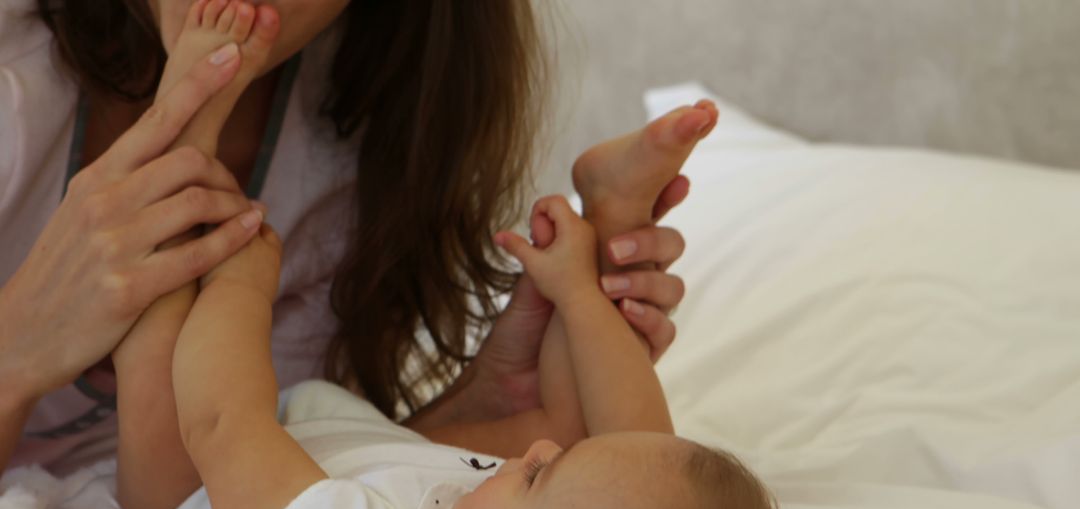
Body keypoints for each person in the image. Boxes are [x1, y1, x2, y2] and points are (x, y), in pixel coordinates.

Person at [119, 39, 798, 509]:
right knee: (627, 467)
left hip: (199, 492)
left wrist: (243, 281)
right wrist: (571, 293)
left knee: (158, 367)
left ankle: (185, 135)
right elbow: (634, 448)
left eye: (537, 478)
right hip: (391, 471)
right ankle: (613, 218)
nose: (534, 451)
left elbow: (221, 422)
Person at [0, 0, 692, 479]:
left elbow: (274, 472)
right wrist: (19, 346)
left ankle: (599, 245)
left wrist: (490, 399)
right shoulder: (17, 77)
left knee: (564, 431)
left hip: (174, 492)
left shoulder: (359, 143)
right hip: (161, 495)